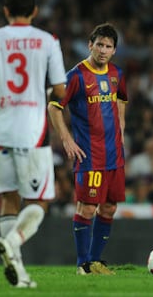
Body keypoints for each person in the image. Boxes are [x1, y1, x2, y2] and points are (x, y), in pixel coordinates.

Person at [0, 0, 67, 287]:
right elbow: (61, 90)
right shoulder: (48, 42)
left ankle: (19, 275)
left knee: (9, 199)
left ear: (6, 11)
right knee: (40, 201)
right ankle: (13, 241)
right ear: (35, 12)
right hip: (31, 130)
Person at [47, 22, 127, 275]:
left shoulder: (117, 74)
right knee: (88, 207)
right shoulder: (75, 76)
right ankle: (83, 263)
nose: (103, 50)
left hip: (115, 154)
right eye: (99, 45)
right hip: (90, 155)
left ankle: (95, 261)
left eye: (109, 46)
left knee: (110, 207)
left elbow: (121, 100)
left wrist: (121, 129)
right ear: (90, 45)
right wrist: (66, 139)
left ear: (114, 50)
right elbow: (53, 106)